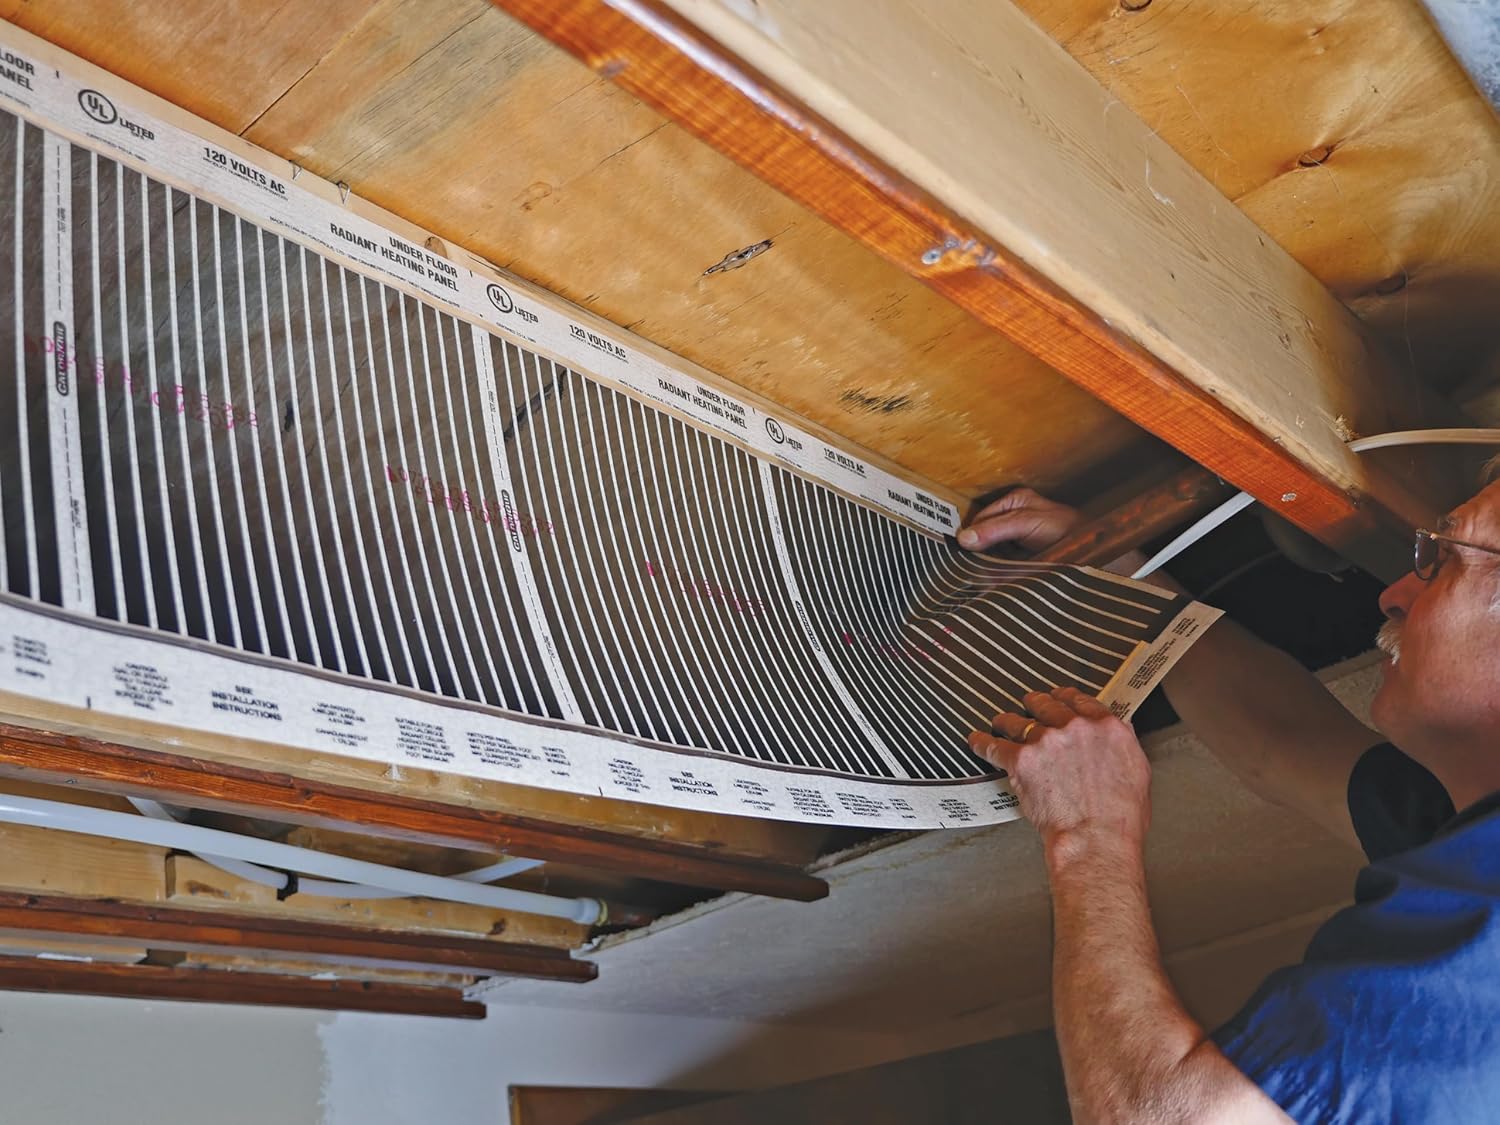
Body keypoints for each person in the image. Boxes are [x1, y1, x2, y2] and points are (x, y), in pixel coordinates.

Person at [955, 478, 1500, 1124]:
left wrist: (1089, 831)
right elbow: (1279, 740)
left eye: (1446, 562)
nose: (1394, 592)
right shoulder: (1465, 826)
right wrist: (1112, 565)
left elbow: (1157, 1117)